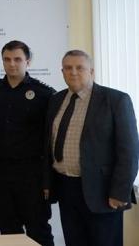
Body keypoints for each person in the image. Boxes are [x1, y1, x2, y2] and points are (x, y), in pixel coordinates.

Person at [43, 50, 139, 246]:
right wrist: (47, 183)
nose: (73, 72)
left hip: (103, 191)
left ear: (91, 71)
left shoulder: (116, 100)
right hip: (66, 188)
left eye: (80, 68)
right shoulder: (55, 100)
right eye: (68, 68)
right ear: (62, 72)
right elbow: (48, 145)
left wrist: (119, 192)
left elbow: (129, 152)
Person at [0, 41, 54, 245]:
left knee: (38, 229)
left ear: (27, 61)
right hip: (1, 171)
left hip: (32, 173)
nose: (12, 64)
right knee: (8, 231)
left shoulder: (44, 94)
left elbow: (51, 138)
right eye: (7, 59)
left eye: (17, 59)